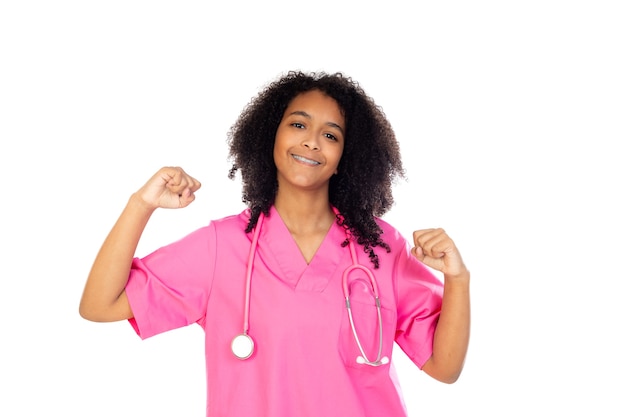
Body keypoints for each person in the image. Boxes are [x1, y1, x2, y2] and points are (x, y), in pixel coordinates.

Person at [79, 70, 470, 417]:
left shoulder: (380, 247)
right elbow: (99, 304)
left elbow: (444, 367)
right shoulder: (222, 246)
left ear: (345, 158)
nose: (312, 142)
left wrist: (458, 279)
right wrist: (141, 204)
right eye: (298, 125)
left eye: (331, 135)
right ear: (271, 135)